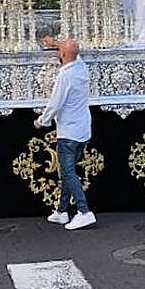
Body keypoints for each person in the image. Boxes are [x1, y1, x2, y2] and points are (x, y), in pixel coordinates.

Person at [35, 39, 96, 230]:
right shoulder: (81, 68)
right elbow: (73, 51)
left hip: (68, 131)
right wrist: (59, 44)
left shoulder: (65, 76)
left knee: (68, 172)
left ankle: (84, 211)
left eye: (59, 51)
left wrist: (42, 121)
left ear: (61, 55)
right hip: (82, 129)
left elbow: (55, 103)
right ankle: (61, 211)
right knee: (68, 172)